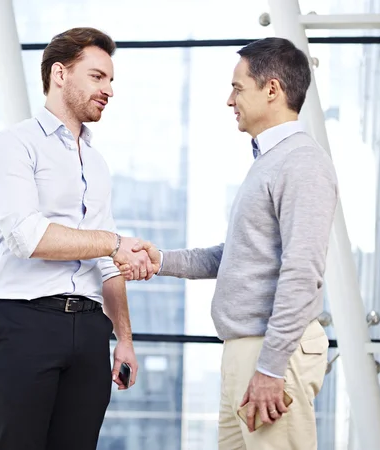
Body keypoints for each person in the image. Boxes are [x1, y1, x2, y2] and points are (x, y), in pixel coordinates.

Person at [120, 37, 338, 449]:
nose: (228, 100)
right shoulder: (269, 162)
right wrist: (160, 260)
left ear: (271, 89)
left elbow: (301, 272)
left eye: (238, 88)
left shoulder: (302, 163)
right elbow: (233, 257)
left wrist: (271, 369)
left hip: (274, 355)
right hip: (248, 352)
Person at [0, 27, 152, 450]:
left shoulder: (96, 164)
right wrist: (112, 242)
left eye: (111, 80)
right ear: (60, 73)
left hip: (90, 330)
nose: (109, 89)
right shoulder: (14, 145)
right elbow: (27, 236)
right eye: (97, 77)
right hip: (27, 324)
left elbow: (107, 261)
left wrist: (124, 340)